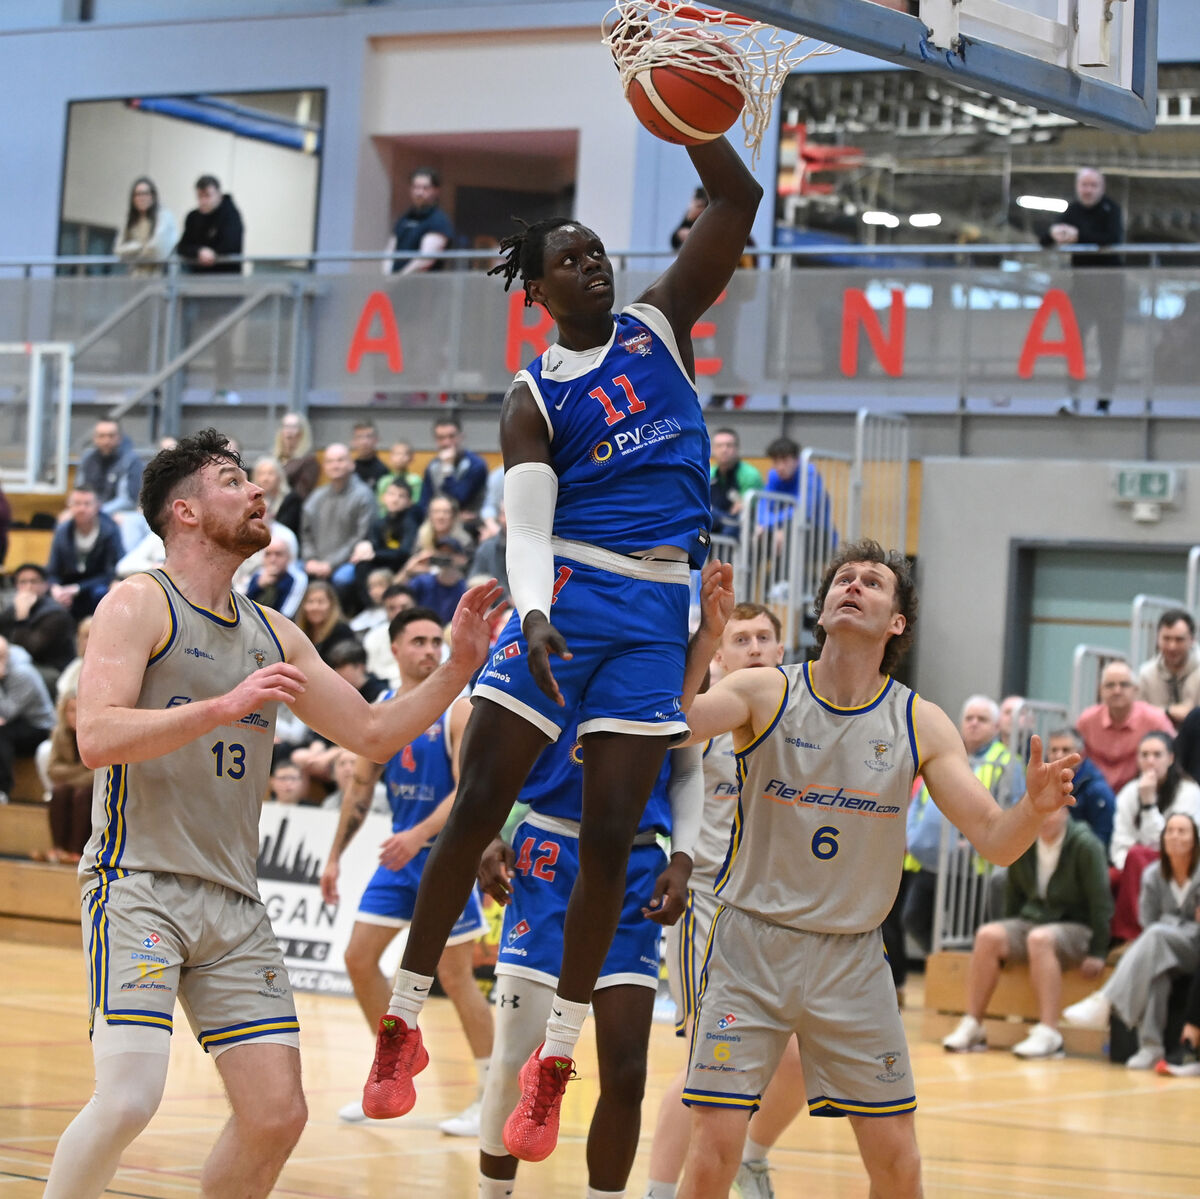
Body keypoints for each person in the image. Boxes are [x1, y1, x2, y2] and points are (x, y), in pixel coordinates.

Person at [359, 133, 762, 1169]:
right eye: (572, 258)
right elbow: (526, 525)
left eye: (598, 252)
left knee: (616, 832)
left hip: (654, 606)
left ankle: (554, 1062)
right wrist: (532, 610)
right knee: (482, 801)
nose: (595, 264)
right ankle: (401, 1023)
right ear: (537, 289)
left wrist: (681, 106)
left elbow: (738, 193)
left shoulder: (661, 328)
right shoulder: (532, 395)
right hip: (572, 586)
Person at [41, 428, 500, 1199]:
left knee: (277, 1114)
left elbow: (375, 731)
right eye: (232, 480)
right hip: (138, 881)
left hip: (234, 900)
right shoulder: (138, 600)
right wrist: (222, 706)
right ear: (184, 510)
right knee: (127, 1099)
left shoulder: (275, 633)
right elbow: (96, 737)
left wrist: (459, 665)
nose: (258, 491)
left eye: (255, 481)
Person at [671, 539, 1081, 1199]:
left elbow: (995, 840)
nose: (853, 585)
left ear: (897, 622)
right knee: (715, 1148)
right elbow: (670, 724)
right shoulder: (763, 689)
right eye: (843, 579)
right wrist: (705, 643)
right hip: (750, 945)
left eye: (872, 581)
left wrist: (1032, 808)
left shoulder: (920, 721)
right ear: (824, 605)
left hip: (852, 960)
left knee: (897, 1164)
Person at [476, 718, 700, 1192]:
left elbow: (684, 770)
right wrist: (488, 828)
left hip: (634, 867)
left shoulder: (670, 661)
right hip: (549, 858)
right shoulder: (548, 649)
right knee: (517, 1058)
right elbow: (493, 741)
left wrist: (682, 858)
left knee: (626, 1071)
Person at [646, 603, 805, 1199]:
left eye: (766, 638)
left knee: (795, 1056)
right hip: (706, 902)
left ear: (781, 651)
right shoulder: (702, 720)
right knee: (705, 1064)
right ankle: (661, 1192)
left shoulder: (797, 723)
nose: (757, 648)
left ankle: (753, 1159)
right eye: (742, 639)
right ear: (718, 656)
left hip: (776, 913)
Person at [320, 607, 492, 1132]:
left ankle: (492, 1091)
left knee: (455, 975)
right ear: (393, 649)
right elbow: (361, 789)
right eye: (418, 641)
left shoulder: (459, 711)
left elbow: (469, 792)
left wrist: (419, 834)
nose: (429, 649)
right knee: (357, 957)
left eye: (436, 640)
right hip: (400, 860)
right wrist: (333, 858)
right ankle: (396, 1064)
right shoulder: (383, 711)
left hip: (446, 858)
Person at [942, 803, 1112, 1060]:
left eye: (1051, 811)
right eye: (1039, 811)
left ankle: (1049, 1032)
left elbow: (1101, 903)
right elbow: (1013, 897)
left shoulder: (1086, 845)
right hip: (1033, 921)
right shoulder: (1025, 843)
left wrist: (1099, 951)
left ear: (1065, 811)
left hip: (1077, 927)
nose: (1044, 817)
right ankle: (973, 1024)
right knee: (988, 935)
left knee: (1039, 939)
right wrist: (1009, 943)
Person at [1063, 812, 1200, 1068]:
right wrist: (1181, 925)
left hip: (1195, 950)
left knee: (1157, 937)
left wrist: (1171, 925)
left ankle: (1105, 1000)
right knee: (1157, 971)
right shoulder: (1152, 875)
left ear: (1195, 840)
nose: (1175, 836)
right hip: (1166, 947)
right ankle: (1151, 1046)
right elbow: (1147, 922)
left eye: (1182, 831)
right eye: (1170, 830)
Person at [903, 695, 1024, 952]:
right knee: (913, 919)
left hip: (970, 868)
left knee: (966, 932)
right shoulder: (945, 752)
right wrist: (911, 834)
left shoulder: (1007, 762)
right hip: (928, 860)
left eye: (982, 719)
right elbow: (919, 799)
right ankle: (945, 962)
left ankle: (958, 976)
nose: (974, 724)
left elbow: (1011, 811)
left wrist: (973, 840)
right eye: (969, 718)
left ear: (995, 727)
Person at [1039, 166, 1124, 413]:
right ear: (1078, 187)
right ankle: (1072, 396)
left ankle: (1103, 402)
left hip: (1110, 291)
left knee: (1108, 346)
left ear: (1101, 187)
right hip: (1082, 290)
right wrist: (1054, 233)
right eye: (1084, 185)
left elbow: (1111, 238)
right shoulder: (1072, 210)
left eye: (1093, 185)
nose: (1088, 190)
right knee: (1075, 344)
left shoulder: (1112, 210)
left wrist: (1078, 236)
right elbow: (1045, 240)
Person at [175, 175, 246, 401]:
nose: (203, 201)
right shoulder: (193, 218)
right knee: (187, 338)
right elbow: (183, 246)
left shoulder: (230, 215)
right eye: (200, 196)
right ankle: (185, 384)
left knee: (222, 341)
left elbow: (232, 245)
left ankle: (224, 386)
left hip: (225, 291)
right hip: (197, 290)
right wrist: (199, 252)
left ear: (217, 193)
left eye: (207, 195)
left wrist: (213, 254)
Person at [1077, 660, 1174, 793]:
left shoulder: (1155, 719)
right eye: (1110, 685)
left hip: (1142, 792)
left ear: (1136, 689)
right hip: (1094, 795)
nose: (1117, 691)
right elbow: (1075, 761)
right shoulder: (1087, 720)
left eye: (1124, 685)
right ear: (1100, 691)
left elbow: (1174, 756)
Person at [1110, 730, 1200, 870]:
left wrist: (1148, 806)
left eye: (1157, 755)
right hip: (1135, 867)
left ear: (1170, 759)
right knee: (1128, 861)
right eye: (1144, 755)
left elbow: (1170, 844)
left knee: (1138, 854)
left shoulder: (1188, 791)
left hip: (1180, 865)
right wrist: (1132, 867)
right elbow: (1120, 845)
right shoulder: (1128, 792)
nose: (1150, 761)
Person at [300, 442, 376, 592]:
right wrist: (310, 560)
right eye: (330, 461)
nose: (335, 465)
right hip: (317, 561)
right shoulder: (315, 497)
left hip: (348, 562)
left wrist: (331, 564)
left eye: (340, 460)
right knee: (295, 575)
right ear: (325, 466)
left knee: (342, 579)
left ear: (351, 464)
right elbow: (306, 534)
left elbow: (361, 536)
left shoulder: (364, 495)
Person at [45, 487, 124, 619]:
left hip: (98, 584)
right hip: (68, 585)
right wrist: (56, 589)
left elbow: (111, 572)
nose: (81, 509)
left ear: (97, 506)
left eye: (87, 504)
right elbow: (52, 570)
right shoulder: (62, 531)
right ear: (69, 506)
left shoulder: (110, 530)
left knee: (101, 594)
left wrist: (78, 588)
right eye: (77, 504)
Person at [0, 562, 76, 691]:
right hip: (22, 663)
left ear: (45, 585)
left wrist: (22, 618)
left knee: (20, 673)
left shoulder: (56, 613)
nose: (28, 587)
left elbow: (29, 650)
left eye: (34, 582)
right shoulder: (13, 608)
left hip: (52, 670)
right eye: (23, 582)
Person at [0, 633, 55, 802]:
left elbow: (6, 712)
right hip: (18, 722)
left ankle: (3, 789)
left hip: (41, 726)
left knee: (2, 734)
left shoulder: (22, 673)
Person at [42, 685, 94, 863]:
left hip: (93, 788)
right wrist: (81, 770)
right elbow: (52, 770)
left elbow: (100, 772)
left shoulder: (96, 734)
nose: (76, 715)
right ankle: (58, 849)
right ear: (64, 712)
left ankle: (76, 851)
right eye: (71, 710)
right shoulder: (59, 734)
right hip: (78, 782)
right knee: (59, 791)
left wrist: (72, 777)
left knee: (82, 794)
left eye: (80, 710)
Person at [1046, 726, 1115, 852]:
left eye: (1065, 750)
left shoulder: (1097, 790)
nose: (1058, 755)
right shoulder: (1042, 783)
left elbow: (1101, 842)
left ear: (1081, 754)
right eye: (1054, 750)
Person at [385, 167, 455, 276]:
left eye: (425, 188)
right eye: (416, 187)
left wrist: (398, 278)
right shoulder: (405, 217)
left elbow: (426, 259)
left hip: (424, 288)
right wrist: (386, 275)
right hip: (396, 285)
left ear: (436, 191)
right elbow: (391, 249)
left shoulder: (438, 221)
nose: (419, 192)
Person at [420, 414, 489, 525]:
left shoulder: (476, 465)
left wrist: (447, 468)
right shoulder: (432, 466)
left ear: (461, 437)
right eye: (441, 438)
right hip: (437, 522)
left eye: (451, 436)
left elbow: (459, 499)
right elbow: (424, 503)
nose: (446, 443)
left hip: (469, 524)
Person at [1137, 609, 1200, 728]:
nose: (1172, 646)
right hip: (1157, 739)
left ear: (1192, 640)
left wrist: (1191, 715)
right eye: (1166, 639)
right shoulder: (1146, 673)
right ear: (1157, 639)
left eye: (1179, 639)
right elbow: (1137, 714)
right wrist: (1168, 711)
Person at [76, 419, 146, 517]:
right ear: (94, 438)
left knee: (123, 520)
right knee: (65, 519)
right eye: (101, 436)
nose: (106, 441)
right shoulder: (87, 459)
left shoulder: (130, 461)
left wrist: (99, 512)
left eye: (111, 436)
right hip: (89, 511)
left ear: (119, 438)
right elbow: (79, 491)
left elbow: (128, 500)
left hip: (118, 513)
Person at [116, 176, 177, 277]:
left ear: (152, 195)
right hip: (135, 277)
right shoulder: (130, 220)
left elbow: (157, 251)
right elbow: (118, 251)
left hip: (159, 277)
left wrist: (133, 253)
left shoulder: (164, 216)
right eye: (138, 194)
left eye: (145, 193)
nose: (141, 198)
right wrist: (139, 247)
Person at [708, 427, 762, 540]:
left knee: (730, 527)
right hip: (717, 520)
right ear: (713, 449)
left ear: (737, 448)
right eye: (719, 446)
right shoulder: (709, 474)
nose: (724, 450)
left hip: (744, 524)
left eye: (729, 445)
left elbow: (745, 508)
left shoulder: (749, 474)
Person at [293, 580, 356, 665]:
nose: (315, 607)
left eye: (321, 602)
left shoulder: (342, 632)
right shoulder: (298, 632)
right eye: (310, 601)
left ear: (331, 605)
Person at [244, 537, 308, 620]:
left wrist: (277, 585)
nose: (272, 559)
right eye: (268, 554)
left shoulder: (298, 579)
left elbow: (287, 614)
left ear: (288, 557)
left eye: (278, 554)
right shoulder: (257, 576)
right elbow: (243, 608)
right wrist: (258, 586)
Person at [251, 455, 303, 540]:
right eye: (261, 474)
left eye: (270, 473)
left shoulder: (291, 499)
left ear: (279, 477)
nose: (265, 478)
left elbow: (288, 526)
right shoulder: (252, 500)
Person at [273, 412, 321, 501]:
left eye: (293, 427)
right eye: (286, 426)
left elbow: (301, 494)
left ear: (302, 432)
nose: (288, 431)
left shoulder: (309, 460)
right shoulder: (274, 457)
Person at [351, 420, 388, 488]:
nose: (364, 442)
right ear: (353, 441)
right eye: (359, 437)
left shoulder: (383, 471)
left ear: (376, 440)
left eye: (369, 436)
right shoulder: (348, 469)